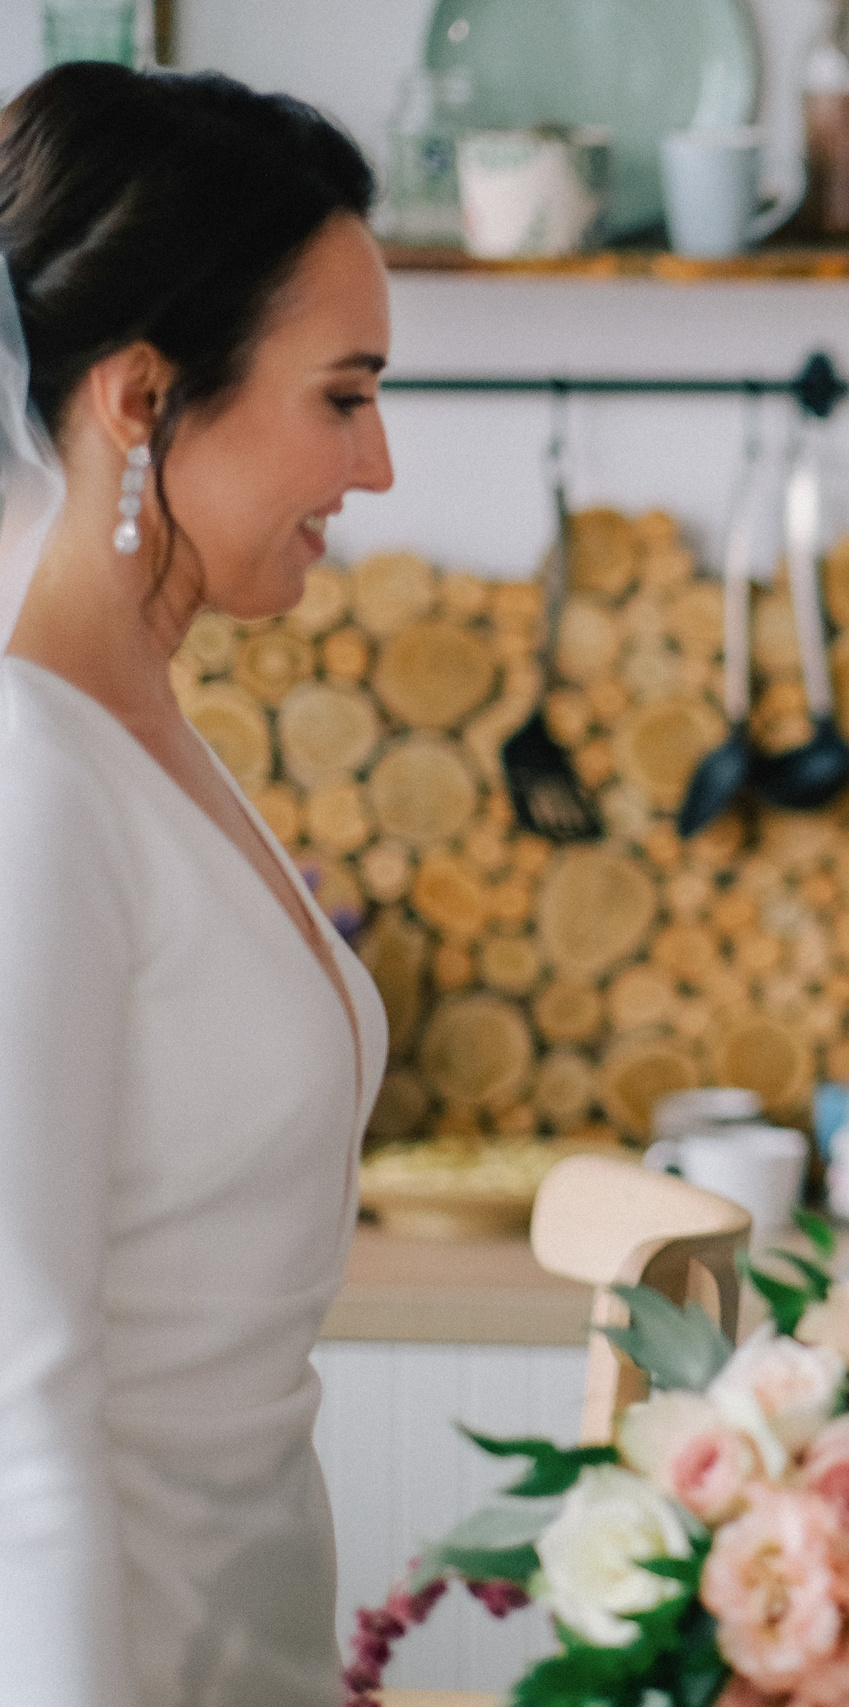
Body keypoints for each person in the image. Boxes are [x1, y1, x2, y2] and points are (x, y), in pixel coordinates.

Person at [0, 66, 395, 1703]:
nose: (376, 467)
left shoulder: (142, 732)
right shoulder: (28, 783)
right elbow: (17, 1421)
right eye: (343, 395)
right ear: (142, 400)